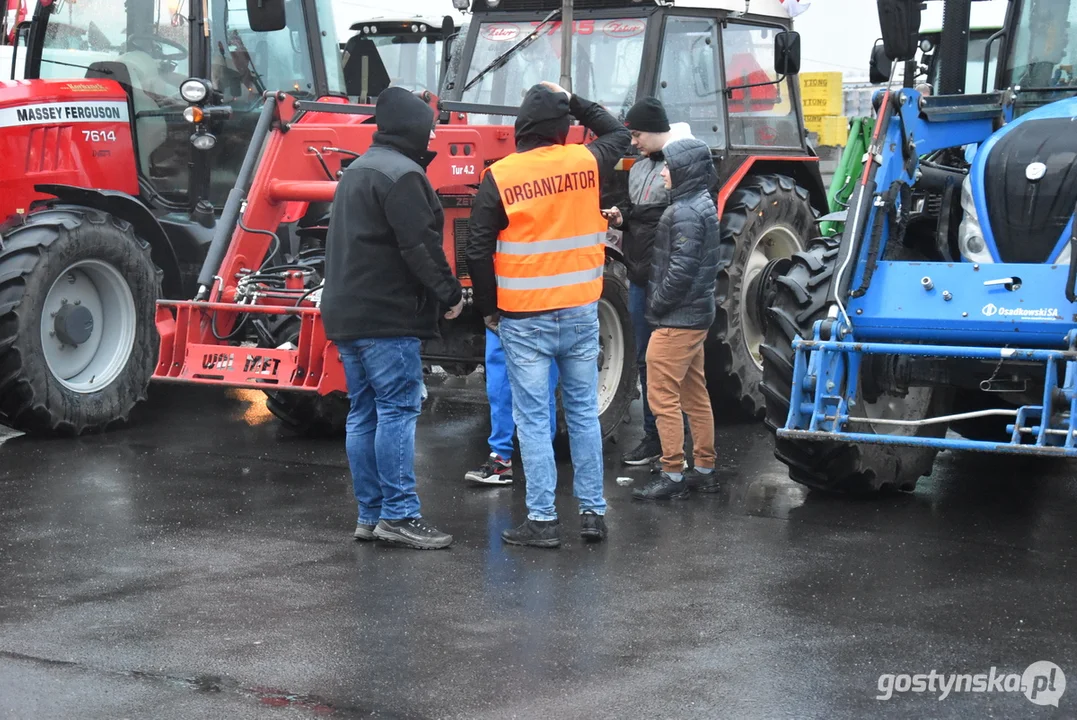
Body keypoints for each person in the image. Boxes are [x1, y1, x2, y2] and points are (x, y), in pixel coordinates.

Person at [466, 81, 631, 548]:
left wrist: (488, 309)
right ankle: (593, 514)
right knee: (581, 413)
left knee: (534, 420)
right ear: (562, 128)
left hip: (523, 317)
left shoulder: (501, 175)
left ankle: (542, 521)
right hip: (581, 311)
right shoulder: (584, 162)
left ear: (520, 128)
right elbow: (617, 132)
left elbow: (478, 247)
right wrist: (574, 100)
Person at [321, 86, 464, 550]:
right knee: (398, 410)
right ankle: (400, 515)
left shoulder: (357, 170)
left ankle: (371, 514)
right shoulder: (403, 175)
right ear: (415, 130)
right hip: (387, 317)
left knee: (363, 413)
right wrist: (450, 293)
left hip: (346, 313)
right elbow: (420, 246)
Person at [602, 97, 693, 468]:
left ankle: (679, 445)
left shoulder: (682, 167)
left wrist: (635, 215)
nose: (634, 141)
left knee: (671, 365)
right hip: (640, 274)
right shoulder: (639, 169)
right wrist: (621, 216)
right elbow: (640, 213)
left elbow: (672, 217)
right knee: (644, 359)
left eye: (637, 134)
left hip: (668, 277)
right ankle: (655, 438)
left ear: (656, 128)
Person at [631, 136, 723, 501]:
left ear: (685, 170)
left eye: (669, 166)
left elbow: (679, 271)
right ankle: (704, 469)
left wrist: (656, 305)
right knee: (694, 393)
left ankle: (671, 474)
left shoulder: (683, 211)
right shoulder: (701, 204)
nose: (664, 172)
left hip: (677, 320)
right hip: (696, 316)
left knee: (662, 395)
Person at [464, 329, 559, 486]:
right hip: (505, 312)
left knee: (540, 388)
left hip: (540, 311)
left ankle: (542, 464)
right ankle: (502, 457)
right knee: (499, 385)